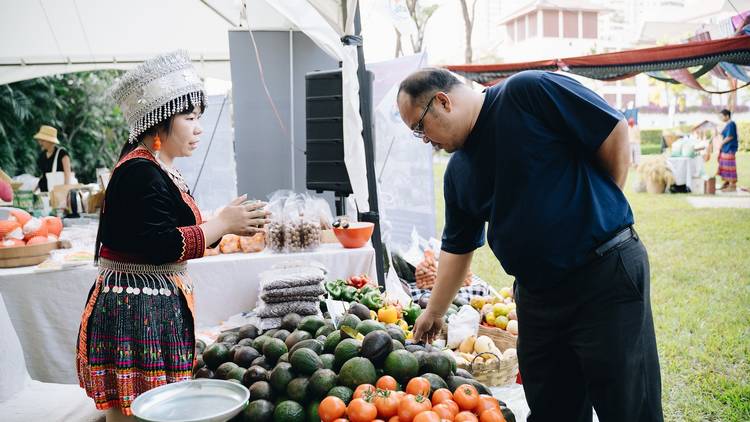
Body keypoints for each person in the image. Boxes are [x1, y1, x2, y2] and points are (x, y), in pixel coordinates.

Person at [397, 68, 663, 422]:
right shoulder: (458, 172)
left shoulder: (526, 92)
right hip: (538, 300)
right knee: (553, 409)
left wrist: (600, 204)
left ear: (443, 101)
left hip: (603, 276)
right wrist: (433, 311)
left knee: (629, 407)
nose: (424, 140)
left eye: (419, 127)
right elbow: (458, 247)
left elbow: (611, 130)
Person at [76, 51, 270, 421]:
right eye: (189, 118)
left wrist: (225, 222)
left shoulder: (157, 167)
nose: (198, 128)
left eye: (199, 118)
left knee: (152, 407)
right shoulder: (139, 171)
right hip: (134, 310)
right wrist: (222, 224)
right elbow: (159, 242)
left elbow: (169, 229)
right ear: (157, 122)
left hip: (149, 305)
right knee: (136, 410)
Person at [34, 125, 73, 192]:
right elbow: (44, 175)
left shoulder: (62, 154)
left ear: (50, 141)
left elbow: (67, 174)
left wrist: (66, 191)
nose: (40, 143)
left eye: (43, 141)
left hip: (58, 192)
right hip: (45, 192)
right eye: (40, 140)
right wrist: (35, 189)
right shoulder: (42, 155)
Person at [717, 109, 738, 192]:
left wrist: (721, 143)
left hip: (729, 148)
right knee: (724, 166)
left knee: (729, 166)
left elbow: (730, 136)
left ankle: (732, 185)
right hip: (725, 149)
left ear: (727, 116)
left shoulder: (731, 124)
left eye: (722, 116)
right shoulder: (727, 124)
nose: (720, 118)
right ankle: (727, 183)